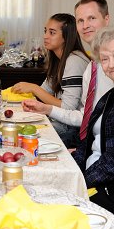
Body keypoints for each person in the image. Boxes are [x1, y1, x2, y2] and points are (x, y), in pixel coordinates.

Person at [22, 0, 112, 145]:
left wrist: (35, 90)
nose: (85, 26)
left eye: (92, 18)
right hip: (92, 142)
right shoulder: (91, 67)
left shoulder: (80, 60)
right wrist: (46, 108)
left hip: (95, 142)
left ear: (106, 19)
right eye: (80, 21)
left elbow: (70, 108)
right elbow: (84, 116)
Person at [14, 13, 90, 148]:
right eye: (45, 31)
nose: (45, 36)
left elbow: (68, 108)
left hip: (74, 129)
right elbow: (44, 91)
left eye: (52, 32)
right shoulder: (59, 59)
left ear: (66, 36)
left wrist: (33, 88)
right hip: (61, 122)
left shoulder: (74, 60)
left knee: (20, 137)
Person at [72, 27, 114, 213]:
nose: (110, 65)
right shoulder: (109, 97)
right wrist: (71, 163)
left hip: (107, 189)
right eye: (105, 59)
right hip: (94, 177)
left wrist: (79, 183)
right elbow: (89, 139)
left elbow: (112, 163)